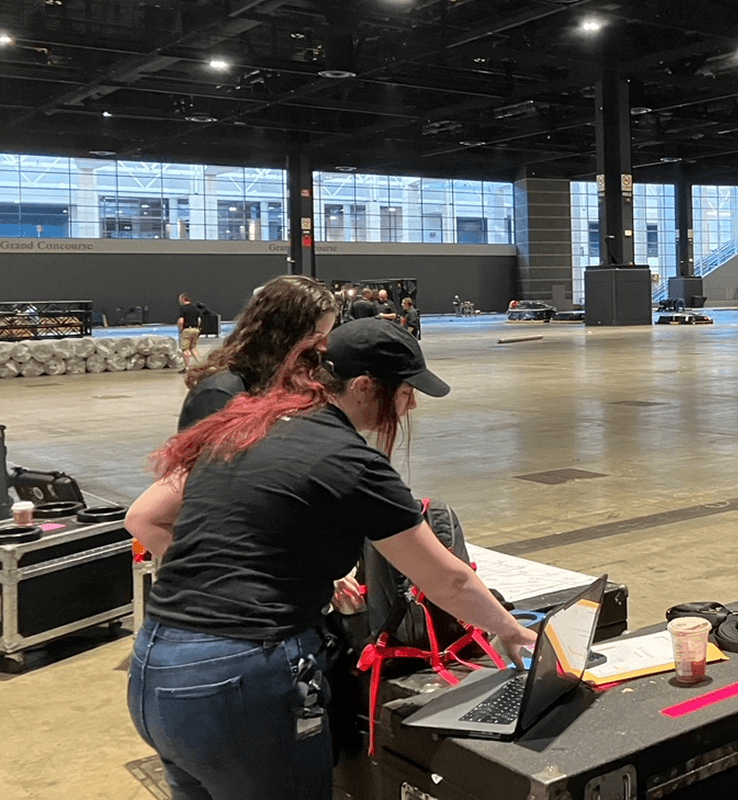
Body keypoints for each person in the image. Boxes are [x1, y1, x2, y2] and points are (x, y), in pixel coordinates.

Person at [125, 318, 537, 800]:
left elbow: (143, 517)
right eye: (405, 392)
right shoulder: (350, 461)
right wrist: (511, 629)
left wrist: (227, 573)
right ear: (364, 387)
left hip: (157, 668)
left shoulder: (244, 426)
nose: (410, 405)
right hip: (244, 679)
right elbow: (449, 582)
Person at [177, 275, 337, 430]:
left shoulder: (284, 380)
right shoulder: (220, 393)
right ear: (284, 335)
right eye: (316, 337)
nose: (323, 347)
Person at [177, 293, 203, 369]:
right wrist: (198, 328)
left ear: (183, 299)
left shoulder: (182, 309)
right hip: (195, 330)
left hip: (187, 329)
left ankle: (187, 367)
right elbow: (199, 320)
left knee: (185, 350)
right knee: (193, 348)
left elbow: (181, 321)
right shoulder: (195, 308)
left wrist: (181, 329)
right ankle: (201, 365)